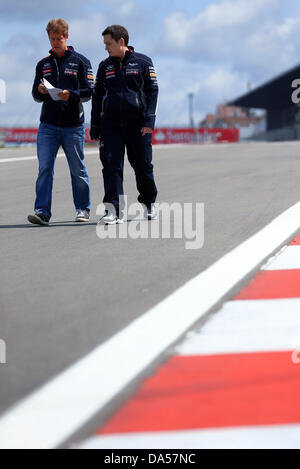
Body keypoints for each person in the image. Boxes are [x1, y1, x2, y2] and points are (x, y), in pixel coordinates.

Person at [28, 18, 94, 226]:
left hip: (73, 126)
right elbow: (35, 95)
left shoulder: (81, 61)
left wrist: (71, 95)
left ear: (67, 37)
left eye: (59, 38)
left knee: (77, 169)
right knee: (45, 168)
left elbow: (90, 91)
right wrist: (39, 91)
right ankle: (42, 212)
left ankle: (82, 209)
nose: (55, 42)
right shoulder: (43, 64)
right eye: (52, 38)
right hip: (47, 125)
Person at [90, 24, 158, 225]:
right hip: (110, 124)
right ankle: (113, 210)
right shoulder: (105, 66)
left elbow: (153, 91)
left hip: (138, 124)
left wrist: (149, 120)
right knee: (110, 165)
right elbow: (97, 96)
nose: (106, 48)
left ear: (121, 42)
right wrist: (95, 125)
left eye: (108, 43)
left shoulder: (144, 62)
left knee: (142, 165)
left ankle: (148, 203)